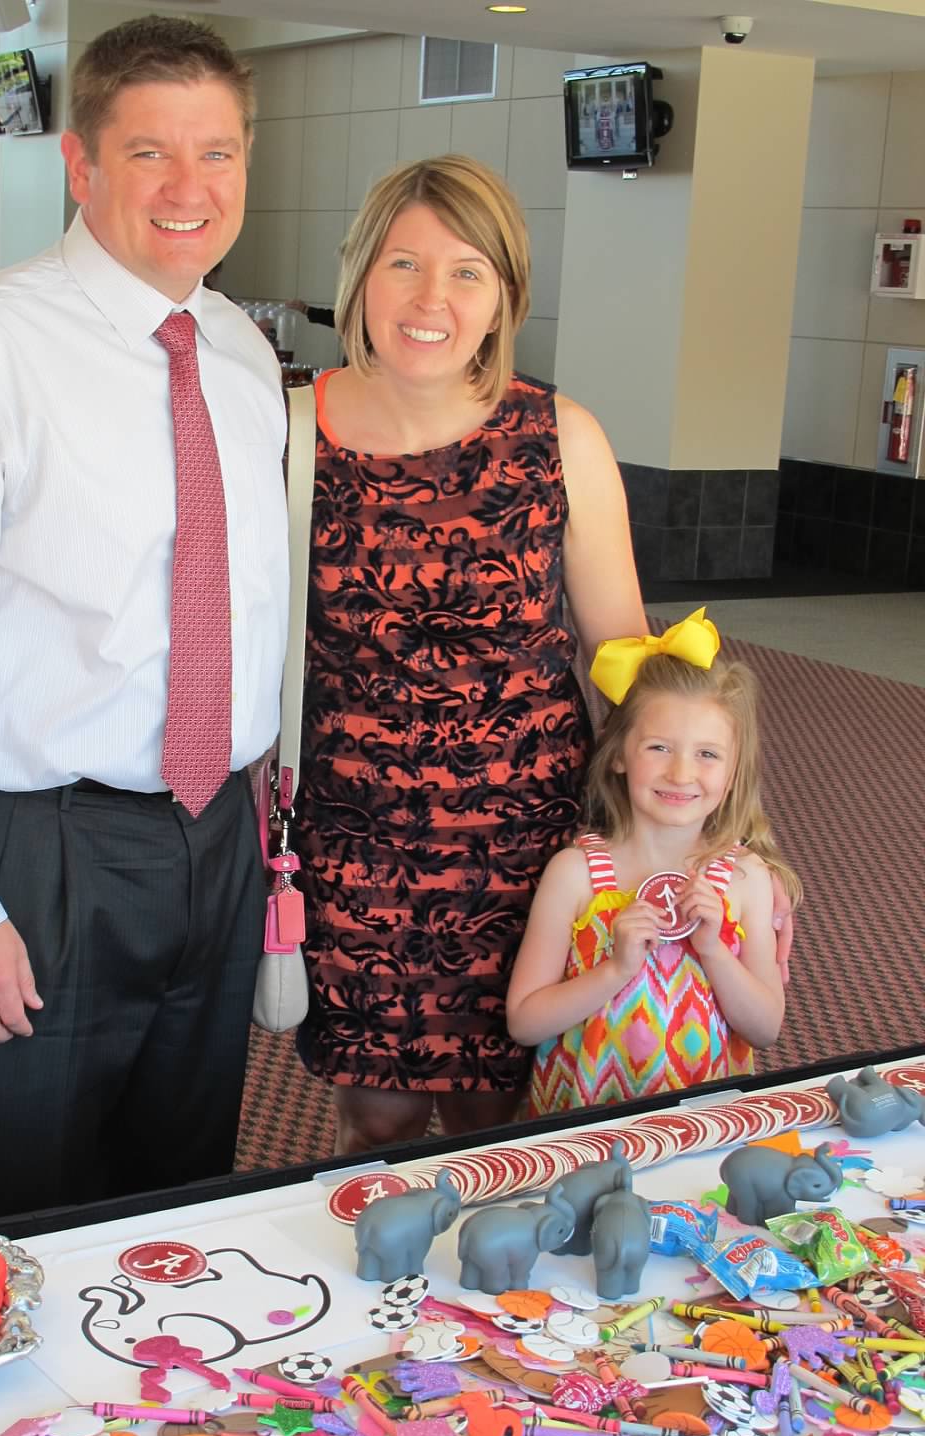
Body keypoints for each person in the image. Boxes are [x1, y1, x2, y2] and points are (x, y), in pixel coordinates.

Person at [0, 15, 288, 1226]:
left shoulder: (243, 355)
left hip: (215, 842)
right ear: (82, 167)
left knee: (178, 1210)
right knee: (6, 1219)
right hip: (35, 852)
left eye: (220, 152)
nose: (191, 187)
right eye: (151, 153)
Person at [295, 154, 648, 1155]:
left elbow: (622, 651)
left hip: (521, 848)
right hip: (352, 842)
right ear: (360, 275)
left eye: (465, 272)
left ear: (504, 296)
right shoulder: (290, 434)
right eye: (403, 264)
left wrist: (677, 814)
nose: (430, 299)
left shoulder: (559, 437)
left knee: (507, 1120)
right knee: (379, 1118)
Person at [507, 610, 802, 1114]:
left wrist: (713, 949)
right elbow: (526, 1021)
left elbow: (765, 1028)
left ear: (733, 773)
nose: (681, 772)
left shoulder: (745, 881)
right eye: (659, 747)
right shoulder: (575, 874)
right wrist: (615, 968)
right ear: (619, 754)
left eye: (708, 754)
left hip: (701, 1126)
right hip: (583, 1126)